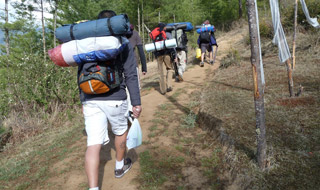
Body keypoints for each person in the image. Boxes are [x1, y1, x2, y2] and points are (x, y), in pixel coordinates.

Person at [79, 10, 142, 190]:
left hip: (90, 99)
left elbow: (80, 75)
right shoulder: (122, 42)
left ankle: (93, 188)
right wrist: (136, 102)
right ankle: (119, 167)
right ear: (115, 24)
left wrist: (82, 100)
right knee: (120, 131)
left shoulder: (86, 44)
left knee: (93, 144)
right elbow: (130, 75)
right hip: (115, 97)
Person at [151, 22, 175, 95]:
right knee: (169, 69)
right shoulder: (166, 34)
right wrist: (173, 54)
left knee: (161, 72)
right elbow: (170, 45)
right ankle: (169, 86)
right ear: (164, 27)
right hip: (166, 54)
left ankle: (163, 90)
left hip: (158, 55)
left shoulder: (154, 35)